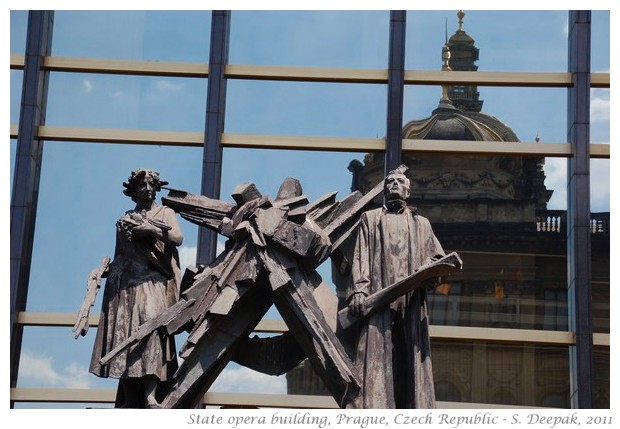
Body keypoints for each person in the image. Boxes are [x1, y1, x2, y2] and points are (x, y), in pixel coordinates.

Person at [346, 168, 445, 408]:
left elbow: (437, 259)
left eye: (399, 181)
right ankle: (374, 405)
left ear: (408, 190)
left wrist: (434, 272)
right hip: (380, 296)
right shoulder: (370, 219)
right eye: (389, 181)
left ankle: (413, 408)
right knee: (376, 352)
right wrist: (360, 289)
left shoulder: (422, 224)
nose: (393, 184)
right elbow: (361, 256)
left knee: (409, 353)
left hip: (411, 298)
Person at [89, 168, 183, 408]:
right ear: (134, 190)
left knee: (150, 329)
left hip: (153, 281)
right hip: (127, 285)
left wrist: (150, 229)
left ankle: (151, 395)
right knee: (126, 338)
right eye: (142, 185)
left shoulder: (166, 212)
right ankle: (131, 399)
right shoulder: (125, 218)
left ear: (156, 187)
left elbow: (178, 238)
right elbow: (120, 253)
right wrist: (106, 274)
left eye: (151, 184)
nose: (147, 189)